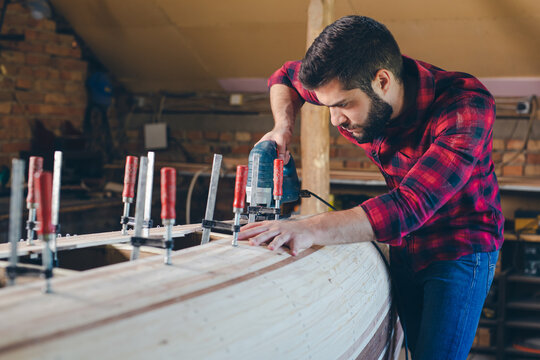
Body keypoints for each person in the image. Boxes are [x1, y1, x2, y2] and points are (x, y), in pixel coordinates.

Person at [238, 15, 503, 360]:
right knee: (412, 350)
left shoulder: (466, 107)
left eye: (343, 105)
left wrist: (307, 228)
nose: (335, 120)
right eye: (327, 105)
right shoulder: (347, 80)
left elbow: (409, 206)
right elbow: (284, 77)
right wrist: (281, 128)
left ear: (382, 81)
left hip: (461, 246)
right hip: (407, 243)